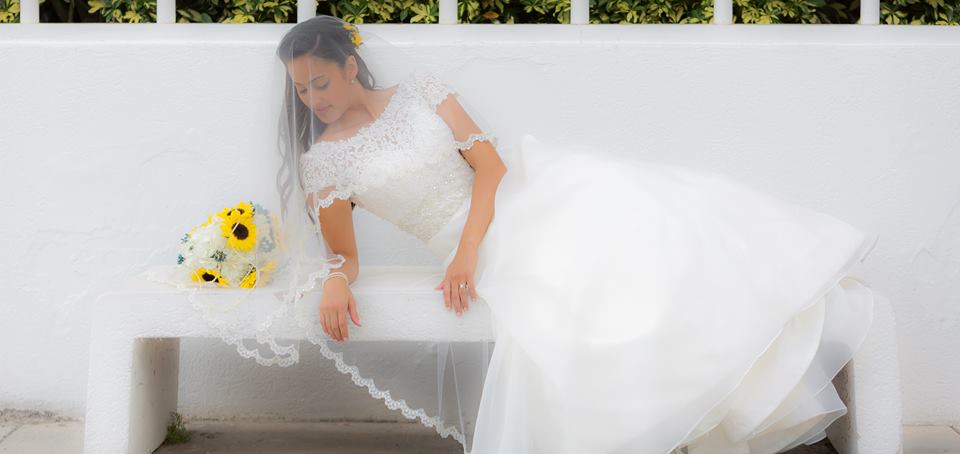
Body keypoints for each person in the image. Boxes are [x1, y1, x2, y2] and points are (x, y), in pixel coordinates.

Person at [272, 15, 879, 454]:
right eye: (300, 89)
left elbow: (491, 168)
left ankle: (746, 342)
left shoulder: (422, 91)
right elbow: (344, 256)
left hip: (511, 206)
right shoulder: (324, 162)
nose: (312, 99)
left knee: (632, 205)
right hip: (483, 252)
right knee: (580, 279)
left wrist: (465, 251)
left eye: (320, 82)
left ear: (350, 65)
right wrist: (335, 281)